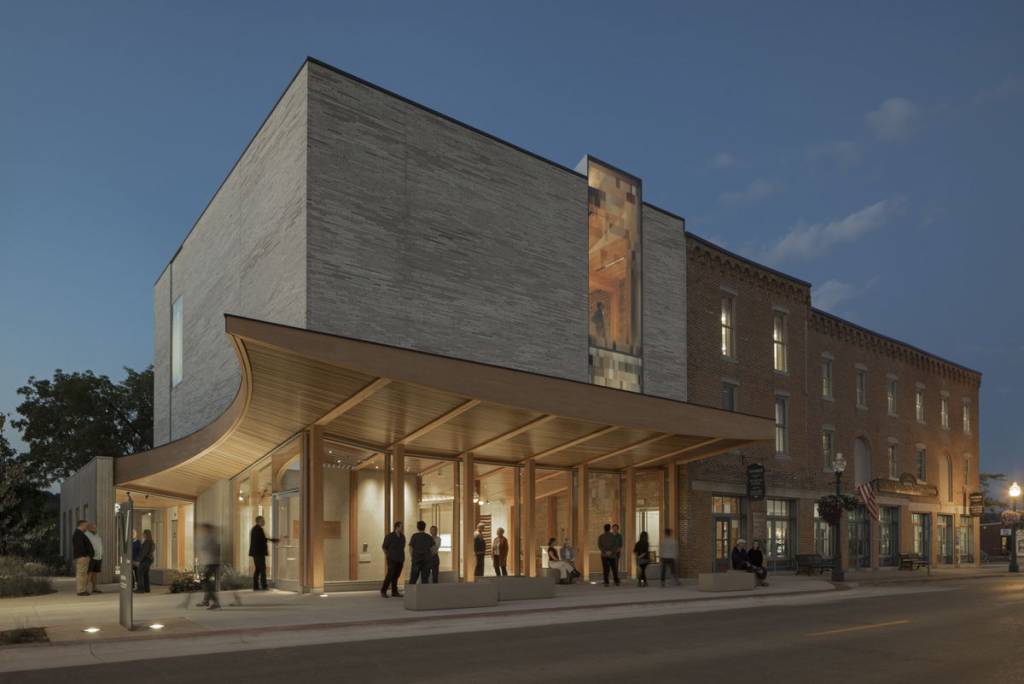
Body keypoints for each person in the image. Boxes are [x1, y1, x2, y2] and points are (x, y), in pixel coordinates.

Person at [248, 515, 278, 591]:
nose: (264, 522)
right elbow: (262, 540)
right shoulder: (258, 529)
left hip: (256, 553)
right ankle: (264, 585)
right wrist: (273, 540)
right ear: (258, 521)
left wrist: (272, 540)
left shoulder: (255, 529)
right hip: (259, 553)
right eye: (262, 520)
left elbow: (262, 539)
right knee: (262, 569)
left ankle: (256, 586)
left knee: (258, 569)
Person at [196, 523, 221, 609]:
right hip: (208, 562)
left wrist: (204, 548)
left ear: (207, 529)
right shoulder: (208, 538)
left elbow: (213, 550)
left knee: (206, 581)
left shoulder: (211, 538)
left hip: (212, 563)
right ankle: (206, 600)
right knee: (206, 581)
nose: (202, 531)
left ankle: (215, 602)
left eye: (204, 529)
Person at [381, 521, 405, 598]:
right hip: (392, 559)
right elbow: (384, 547)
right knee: (390, 575)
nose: (402, 528)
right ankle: (383, 590)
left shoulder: (402, 536)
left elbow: (402, 547)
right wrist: (388, 555)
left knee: (396, 575)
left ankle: (394, 591)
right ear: (396, 527)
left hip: (400, 559)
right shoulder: (390, 536)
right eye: (401, 527)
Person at [72, 520, 94, 596]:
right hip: (82, 557)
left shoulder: (80, 533)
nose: (87, 527)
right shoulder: (78, 534)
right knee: (81, 574)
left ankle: (82, 589)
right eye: (86, 526)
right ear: (81, 525)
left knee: (83, 574)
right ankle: (81, 590)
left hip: (82, 557)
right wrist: (85, 555)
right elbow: (80, 546)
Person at [84, 522, 104, 594]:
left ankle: (94, 587)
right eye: (93, 527)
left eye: (95, 527)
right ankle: (85, 589)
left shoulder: (97, 535)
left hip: (98, 557)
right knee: (89, 573)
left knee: (95, 573)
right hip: (91, 557)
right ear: (89, 528)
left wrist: (101, 554)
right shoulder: (86, 535)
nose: (94, 529)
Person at [137, 529, 154, 594]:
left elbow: (143, 552)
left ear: (146, 534)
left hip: (146, 559)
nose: (143, 535)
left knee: (140, 573)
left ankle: (140, 589)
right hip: (149, 559)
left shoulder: (147, 542)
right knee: (146, 574)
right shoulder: (151, 541)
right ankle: (147, 589)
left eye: (143, 534)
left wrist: (139, 560)